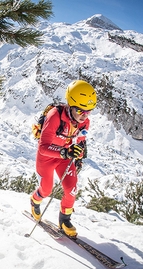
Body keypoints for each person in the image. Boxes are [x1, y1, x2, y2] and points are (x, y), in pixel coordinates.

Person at [30, 80, 97, 237]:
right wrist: (64, 152)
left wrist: (78, 156)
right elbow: (43, 147)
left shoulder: (84, 122)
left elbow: (80, 141)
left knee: (71, 189)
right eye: (81, 111)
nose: (85, 116)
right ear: (71, 105)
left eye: (89, 111)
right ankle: (35, 200)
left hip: (64, 157)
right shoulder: (55, 116)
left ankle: (65, 220)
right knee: (46, 190)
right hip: (47, 156)